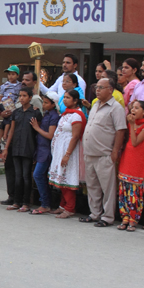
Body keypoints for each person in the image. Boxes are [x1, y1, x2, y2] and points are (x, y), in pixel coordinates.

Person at [79, 78, 127, 227]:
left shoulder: (116, 108)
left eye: (101, 87)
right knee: (92, 186)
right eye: (96, 87)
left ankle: (107, 217)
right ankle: (95, 214)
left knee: (108, 188)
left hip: (104, 154)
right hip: (90, 153)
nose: (97, 90)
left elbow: (120, 130)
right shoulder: (95, 105)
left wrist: (115, 151)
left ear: (110, 90)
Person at [0, 70, 43, 205]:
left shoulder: (35, 107)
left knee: (26, 175)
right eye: (20, 95)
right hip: (16, 144)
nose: (21, 98)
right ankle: (15, 200)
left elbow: (38, 128)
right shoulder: (17, 110)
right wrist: (6, 147)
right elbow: (12, 128)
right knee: (16, 174)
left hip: (28, 145)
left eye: (24, 96)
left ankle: (26, 202)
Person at [116, 101, 144, 232]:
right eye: (132, 108)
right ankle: (125, 218)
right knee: (124, 191)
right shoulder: (133, 123)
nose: (133, 110)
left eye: (137, 108)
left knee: (135, 193)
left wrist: (132, 125)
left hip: (138, 163)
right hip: (127, 160)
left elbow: (135, 142)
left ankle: (133, 220)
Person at [49, 90, 86, 218]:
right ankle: (62, 205)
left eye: (68, 98)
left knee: (66, 179)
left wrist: (67, 154)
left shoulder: (77, 115)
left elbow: (75, 137)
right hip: (60, 150)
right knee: (60, 178)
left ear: (75, 100)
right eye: (64, 97)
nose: (64, 100)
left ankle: (70, 208)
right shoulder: (66, 114)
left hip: (69, 151)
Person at [29, 91, 60, 214]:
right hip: (41, 148)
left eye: (47, 103)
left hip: (47, 150)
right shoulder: (46, 114)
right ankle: (45, 202)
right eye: (44, 102)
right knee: (40, 176)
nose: (44, 105)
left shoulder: (54, 116)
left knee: (38, 175)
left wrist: (37, 128)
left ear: (53, 104)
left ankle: (45, 203)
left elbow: (50, 135)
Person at [0, 65, 21, 153]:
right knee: (10, 119)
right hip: (4, 104)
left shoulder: (19, 85)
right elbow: (0, 97)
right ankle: (5, 137)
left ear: (17, 75)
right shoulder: (4, 85)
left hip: (12, 105)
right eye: (9, 74)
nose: (10, 76)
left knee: (6, 121)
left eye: (13, 74)